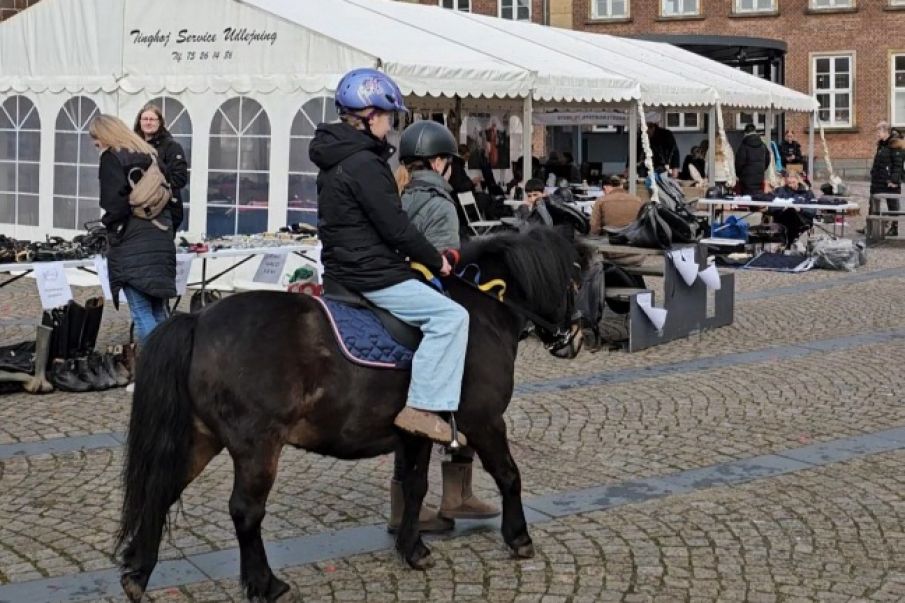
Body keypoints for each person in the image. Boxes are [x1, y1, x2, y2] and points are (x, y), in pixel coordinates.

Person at [309, 68, 468, 446]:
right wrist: (436, 260)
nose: (390, 126)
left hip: (341, 267)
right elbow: (395, 228)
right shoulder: (365, 163)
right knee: (451, 316)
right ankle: (422, 407)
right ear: (370, 116)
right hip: (370, 273)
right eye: (388, 117)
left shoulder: (335, 157)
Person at [385, 119, 499, 534]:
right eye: (448, 162)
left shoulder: (393, 195)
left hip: (390, 299)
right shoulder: (441, 202)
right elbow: (446, 262)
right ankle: (457, 493)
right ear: (438, 163)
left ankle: (403, 502)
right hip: (427, 297)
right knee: (468, 385)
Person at [92, 114, 176, 346]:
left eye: (96, 140)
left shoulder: (112, 157)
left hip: (131, 242)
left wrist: (109, 225)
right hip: (161, 236)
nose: (95, 146)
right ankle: (171, 369)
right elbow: (172, 194)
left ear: (104, 136)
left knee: (141, 311)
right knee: (159, 311)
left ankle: (155, 370)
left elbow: (114, 204)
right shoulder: (150, 154)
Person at [133, 104, 188, 233]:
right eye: (145, 119)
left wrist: (155, 188)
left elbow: (180, 178)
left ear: (160, 123)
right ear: (139, 122)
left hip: (164, 210)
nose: (148, 122)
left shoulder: (172, 147)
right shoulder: (133, 147)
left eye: (152, 119)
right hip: (138, 211)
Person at [869, 122, 905, 236]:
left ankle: (894, 228)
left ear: (885, 132)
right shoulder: (882, 144)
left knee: (893, 205)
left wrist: (894, 181)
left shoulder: (895, 144)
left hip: (890, 182)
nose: (877, 134)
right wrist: (873, 172)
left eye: (878, 131)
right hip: (878, 181)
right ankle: (870, 227)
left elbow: (898, 164)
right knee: (872, 204)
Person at [769, 170, 816, 246]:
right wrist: (783, 208)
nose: (791, 185)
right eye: (789, 183)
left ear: (798, 180)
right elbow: (771, 208)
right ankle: (790, 243)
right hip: (783, 218)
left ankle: (788, 243)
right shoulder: (780, 191)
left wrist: (800, 209)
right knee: (790, 211)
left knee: (792, 212)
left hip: (802, 220)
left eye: (793, 182)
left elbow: (813, 212)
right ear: (786, 181)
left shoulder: (807, 193)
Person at [633, 112, 680, 178]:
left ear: (652, 128)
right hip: (646, 165)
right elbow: (635, 151)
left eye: (647, 132)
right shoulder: (642, 135)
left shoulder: (666, 134)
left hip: (662, 165)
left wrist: (675, 168)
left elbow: (674, 151)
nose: (646, 135)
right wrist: (628, 167)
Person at [735, 124, 771, 195]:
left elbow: (739, 163)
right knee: (757, 199)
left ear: (745, 133)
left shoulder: (743, 146)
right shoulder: (763, 145)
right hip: (759, 178)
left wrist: (739, 175)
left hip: (746, 179)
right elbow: (768, 159)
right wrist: (761, 169)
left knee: (747, 200)